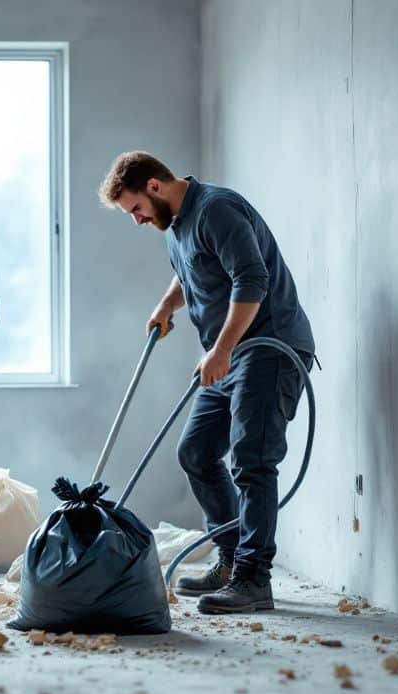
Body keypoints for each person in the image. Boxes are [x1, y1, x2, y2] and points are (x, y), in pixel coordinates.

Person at [99, 151, 315, 614]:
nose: (136, 220)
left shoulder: (217, 209)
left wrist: (219, 350)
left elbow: (251, 278)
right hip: (230, 355)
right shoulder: (175, 225)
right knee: (195, 451)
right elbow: (190, 272)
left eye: (135, 208)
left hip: (267, 348)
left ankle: (254, 579)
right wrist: (165, 307)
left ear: (154, 186)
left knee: (252, 460)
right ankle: (231, 556)